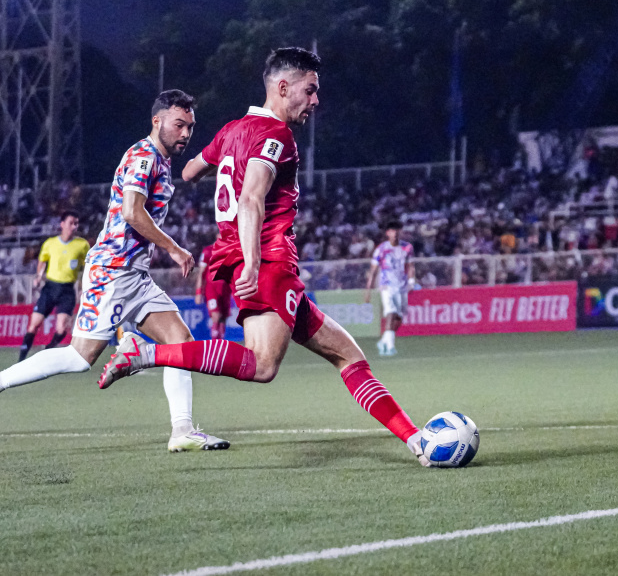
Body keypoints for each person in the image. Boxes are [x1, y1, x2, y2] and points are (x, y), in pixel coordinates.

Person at [98, 47, 431, 465]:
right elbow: (253, 198)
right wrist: (254, 262)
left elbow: (189, 171)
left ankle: (416, 440)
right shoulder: (277, 135)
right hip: (268, 262)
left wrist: (224, 161)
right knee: (262, 366)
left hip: (248, 257)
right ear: (283, 87)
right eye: (309, 91)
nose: (315, 100)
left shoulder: (233, 129)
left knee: (348, 355)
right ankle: (144, 354)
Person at [0, 89, 229, 453]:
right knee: (79, 357)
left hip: (134, 274)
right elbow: (132, 213)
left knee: (180, 342)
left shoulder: (163, 162)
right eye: (179, 124)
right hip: (112, 270)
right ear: (158, 121)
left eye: (191, 126)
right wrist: (173, 247)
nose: (186, 133)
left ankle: (182, 430)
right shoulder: (142, 156)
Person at [18, 211, 89, 362]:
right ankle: (21, 360)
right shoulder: (50, 243)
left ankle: (47, 350)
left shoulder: (82, 245)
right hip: (50, 288)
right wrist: (38, 276)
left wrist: (85, 286)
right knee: (33, 325)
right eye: (71, 223)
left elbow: (87, 267)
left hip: (67, 290)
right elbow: (42, 261)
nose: (74, 226)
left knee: (62, 329)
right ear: (62, 224)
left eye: (76, 223)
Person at [363, 221, 415, 357]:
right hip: (386, 285)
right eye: (392, 230)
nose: (395, 232)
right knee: (391, 313)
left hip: (402, 287)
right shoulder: (381, 249)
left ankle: (384, 340)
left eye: (397, 229)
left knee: (399, 318)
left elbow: (410, 266)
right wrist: (368, 290)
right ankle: (390, 346)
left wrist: (411, 281)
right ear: (388, 233)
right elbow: (373, 270)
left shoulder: (407, 248)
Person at [195, 241, 231, 340]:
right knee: (216, 316)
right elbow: (201, 272)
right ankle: (215, 344)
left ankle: (221, 343)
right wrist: (198, 292)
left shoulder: (230, 250)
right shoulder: (208, 251)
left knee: (223, 318)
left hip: (226, 289)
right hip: (211, 289)